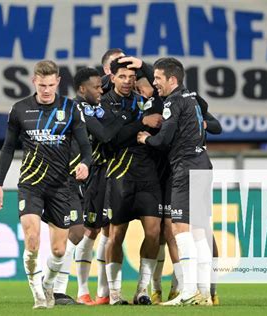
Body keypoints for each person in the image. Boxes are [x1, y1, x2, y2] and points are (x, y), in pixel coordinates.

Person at [0, 60, 92, 309]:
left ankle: (48, 285)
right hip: (31, 185)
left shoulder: (70, 109)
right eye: (41, 84)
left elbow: (86, 145)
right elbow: (7, 148)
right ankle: (37, 293)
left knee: (59, 250)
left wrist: (85, 164)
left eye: (50, 84)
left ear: (58, 82)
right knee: (32, 238)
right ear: (33, 81)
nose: (46, 89)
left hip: (61, 187)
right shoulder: (20, 109)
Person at [137, 57, 213, 306]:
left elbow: (163, 140)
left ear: (172, 79)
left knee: (181, 230)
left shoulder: (174, 101)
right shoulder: (192, 97)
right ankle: (203, 293)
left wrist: (145, 138)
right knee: (200, 232)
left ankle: (189, 292)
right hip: (203, 166)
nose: (155, 83)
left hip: (186, 169)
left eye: (158, 78)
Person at [102, 57, 163, 305]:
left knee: (153, 232)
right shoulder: (103, 104)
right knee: (116, 236)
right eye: (123, 76)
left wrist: (144, 66)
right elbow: (111, 139)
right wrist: (141, 123)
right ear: (113, 77)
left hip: (147, 175)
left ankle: (142, 289)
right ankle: (115, 293)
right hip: (119, 175)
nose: (128, 81)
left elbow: (161, 106)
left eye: (132, 77)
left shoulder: (144, 101)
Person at [68, 67, 130, 305]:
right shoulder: (79, 107)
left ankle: (104, 293)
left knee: (107, 230)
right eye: (97, 86)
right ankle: (82, 290)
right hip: (86, 174)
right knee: (88, 230)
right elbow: (105, 135)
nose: (101, 89)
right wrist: (128, 118)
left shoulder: (96, 104)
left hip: (106, 171)